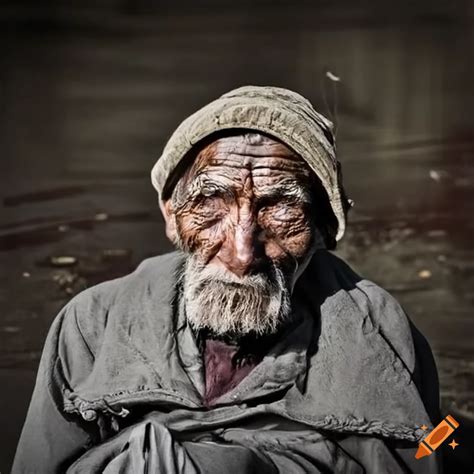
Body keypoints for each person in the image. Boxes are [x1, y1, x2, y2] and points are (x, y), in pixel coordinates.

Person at [13, 86, 441, 473]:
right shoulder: (93, 324)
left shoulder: (379, 332)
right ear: (171, 217)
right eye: (210, 202)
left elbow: (430, 449)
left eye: (280, 208)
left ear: (326, 227)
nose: (241, 254)